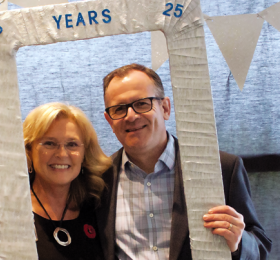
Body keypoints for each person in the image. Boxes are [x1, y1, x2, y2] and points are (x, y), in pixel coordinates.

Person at [95, 64, 272, 260]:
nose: (131, 116)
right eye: (119, 109)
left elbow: (260, 246)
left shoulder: (221, 168)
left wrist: (239, 243)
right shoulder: (99, 179)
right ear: (109, 121)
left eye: (142, 103)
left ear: (165, 108)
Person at [23, 102, 111, 260]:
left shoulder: (99, 206)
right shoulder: (11, 213)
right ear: (28, 150)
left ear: (85, 154)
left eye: (72, 144)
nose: (62, 154)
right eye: (49, 143)